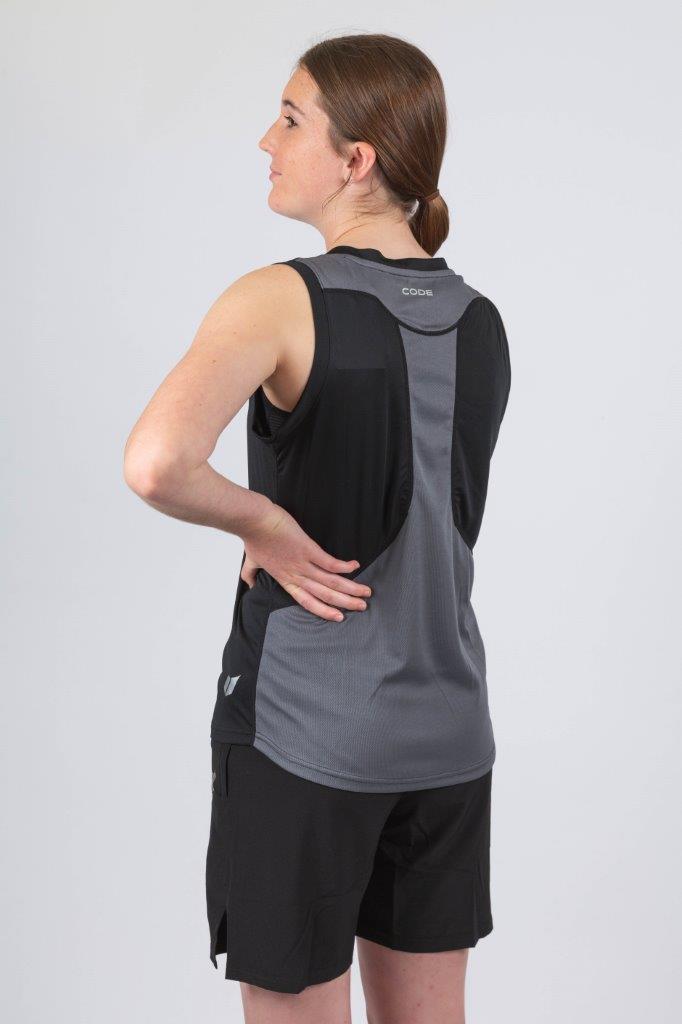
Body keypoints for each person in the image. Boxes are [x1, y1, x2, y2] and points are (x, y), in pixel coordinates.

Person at [124, 32, 511, 1024]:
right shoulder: (480, 320)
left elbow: (157, 462)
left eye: (291, 119)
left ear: (356, 160)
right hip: (451, 734)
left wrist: (262, 523)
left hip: (309, 734)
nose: (267, 139)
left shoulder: (281, 298)